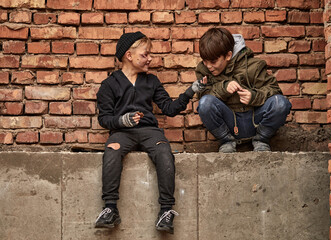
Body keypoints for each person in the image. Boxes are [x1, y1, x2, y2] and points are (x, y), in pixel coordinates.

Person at [95, 31, 204, 234]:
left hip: (149, 132)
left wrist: (191, 91)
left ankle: (166, 211)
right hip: (121, 132)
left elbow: (169, 109)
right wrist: (121, 120)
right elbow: (104, 119)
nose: (150, 59)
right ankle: (110, 208)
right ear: (129, 55)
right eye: (145, 54)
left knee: (164, 152)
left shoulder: (151, 81)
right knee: (111, 149)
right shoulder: (109, 85)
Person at [196, 27, 292, 153]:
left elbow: (274, 91)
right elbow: (203, 96)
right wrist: (223, 88)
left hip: (255, 121)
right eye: (205, 61)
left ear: (228, 55)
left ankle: (261, 140)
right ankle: (227, 141)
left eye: (213, 61)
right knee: (205, 103)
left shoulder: (254, 66)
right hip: (229, 123)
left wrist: (254, 97)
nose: (209, 66)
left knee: (280, 103)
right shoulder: (203, 70)